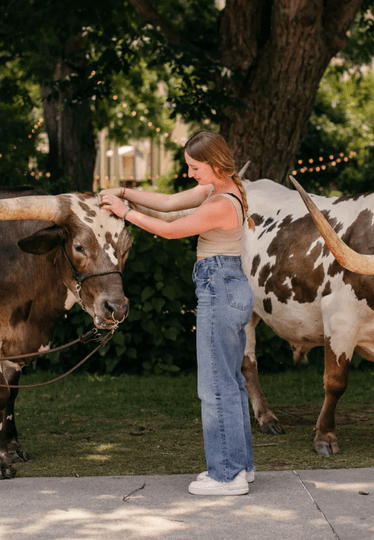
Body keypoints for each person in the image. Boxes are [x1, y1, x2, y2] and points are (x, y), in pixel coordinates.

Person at [99, 130, 256, 496]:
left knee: (215, 386)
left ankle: (225, 476)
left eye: (194, 167)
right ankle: (240, 467)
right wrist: (124, 193)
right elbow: (168, 202)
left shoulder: (220, 202)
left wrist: (126, 214)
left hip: (219, 287)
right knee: (230, 382)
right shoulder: (222, 187)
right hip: (228, 284)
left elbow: (169, 230)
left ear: (214, 164)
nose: (190, 173)